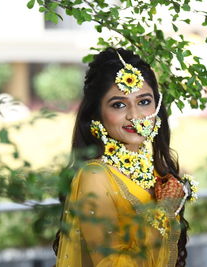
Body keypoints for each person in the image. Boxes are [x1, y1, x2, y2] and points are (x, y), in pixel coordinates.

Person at [53, 48, 198, 267]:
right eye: (119, 104)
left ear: (157, 107)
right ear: (96, 114)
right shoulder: (95, 175)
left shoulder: (155, 173)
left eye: (144, 101)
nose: (134, 116)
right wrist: (164, 211)